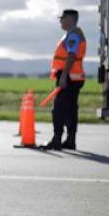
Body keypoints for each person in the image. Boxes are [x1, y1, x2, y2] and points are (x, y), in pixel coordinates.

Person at [41, 9, 86, 151]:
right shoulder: (73, 34)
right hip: (74, 77)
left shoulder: (73, 35)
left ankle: (57, 140)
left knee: (59, 110)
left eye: (62, 18)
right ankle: (70, 141)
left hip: (68, 77)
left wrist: (64, 76)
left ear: (70, 19)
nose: (60, 21)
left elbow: (71, 55)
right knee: (71, 110)